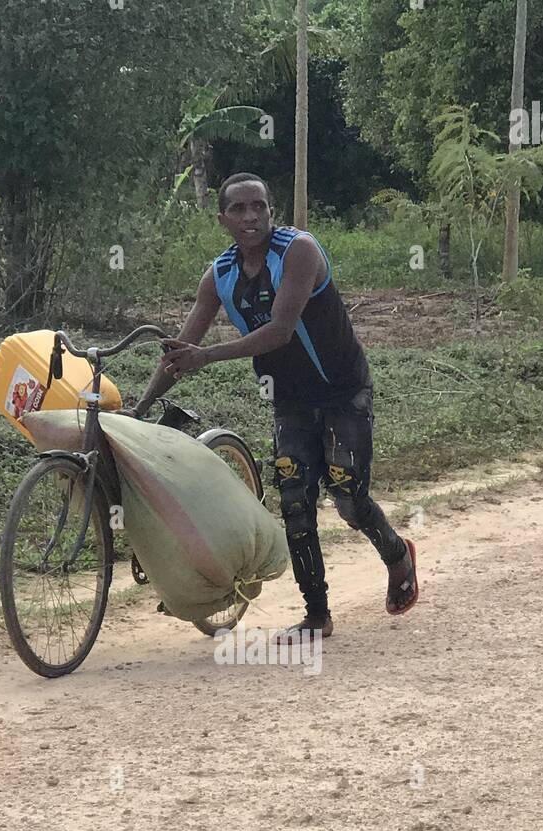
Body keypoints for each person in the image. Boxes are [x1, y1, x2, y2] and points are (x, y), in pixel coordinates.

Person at [133, 172, 419, 638]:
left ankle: (397, 553)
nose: (252, 217)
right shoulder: (220, 276)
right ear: (222, 218)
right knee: (294, 500)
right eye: (240, 209)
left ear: (271, 211)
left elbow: (280, 330)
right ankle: (317, 614)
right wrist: (141, 408)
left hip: (343, 389)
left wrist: (207, 356)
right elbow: (180, 351)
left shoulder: (298, 251)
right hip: (289, 398)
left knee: (348, 497)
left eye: (260, 207)